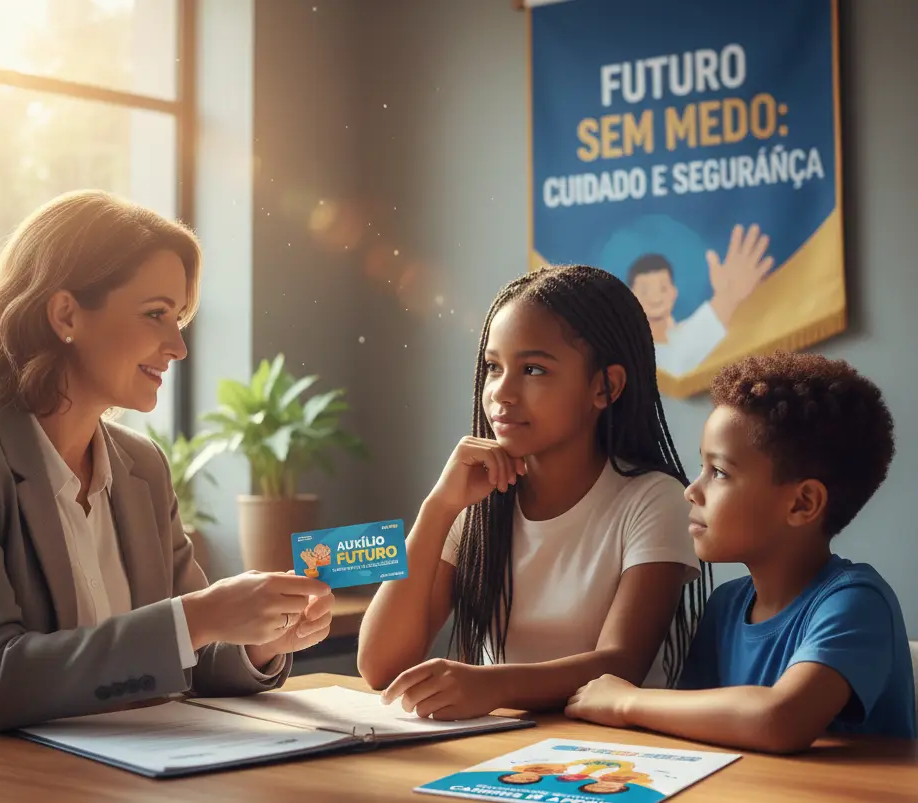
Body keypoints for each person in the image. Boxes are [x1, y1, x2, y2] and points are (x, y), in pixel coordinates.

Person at [0, 190, 333, 733]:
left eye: (180, 320)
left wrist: (258, 643)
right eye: (156, 315)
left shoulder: (142, 466)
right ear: (65, 314)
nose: (178, 346)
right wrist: (203, 616)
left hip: (115, 770)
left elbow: (182, 655)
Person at [358, 265, 709, 719]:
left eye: (534, 369)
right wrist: (438, 507)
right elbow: (380, 666)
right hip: (497, 749)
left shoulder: (652, 499)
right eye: (493, 367)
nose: (501, 393)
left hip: (611, 758)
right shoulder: (474, 502)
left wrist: (489, 685)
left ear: (606, 386)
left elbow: (622, 665)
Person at [565, 353, 916, 751]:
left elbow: (780, 719)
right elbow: (688, 727)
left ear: (802, 504)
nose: (691, 490)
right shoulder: (726, 606)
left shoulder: (857, 603)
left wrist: (626, 700)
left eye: (719, 473)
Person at [627, 224, 773, 376]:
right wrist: (726, 299)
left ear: (673, 292)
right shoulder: (624, 350)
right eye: (644, 291)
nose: (655, 297)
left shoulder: (686, 337)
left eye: (662, 288)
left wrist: (728, 298)